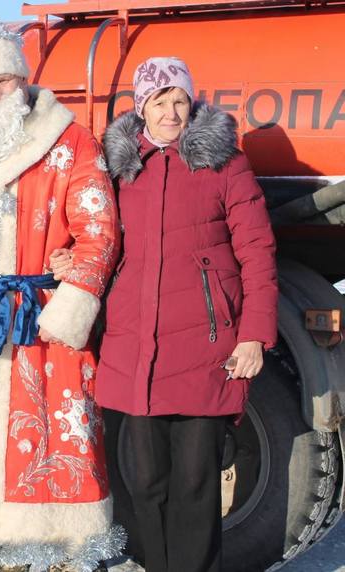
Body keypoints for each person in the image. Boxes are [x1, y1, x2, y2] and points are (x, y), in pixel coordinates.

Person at [56, 57, 278, 572]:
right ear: (142, 107)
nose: (172, 112)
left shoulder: (225, 164)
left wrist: (253, 337)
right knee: (142, 482)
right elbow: (94, 235)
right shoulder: (116, 167)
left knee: (196, 482)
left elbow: (258, 254)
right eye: (161, 102)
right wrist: (72, 257)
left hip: (204, 346)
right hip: (131, 346)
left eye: (180, 100)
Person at [0, 17, 124, 572]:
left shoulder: (70, 141)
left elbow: (99, 230)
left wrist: (71, 305)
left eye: (3, 82)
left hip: (40, 322)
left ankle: (60, 557)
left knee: (46, 445)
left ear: (23, 80)